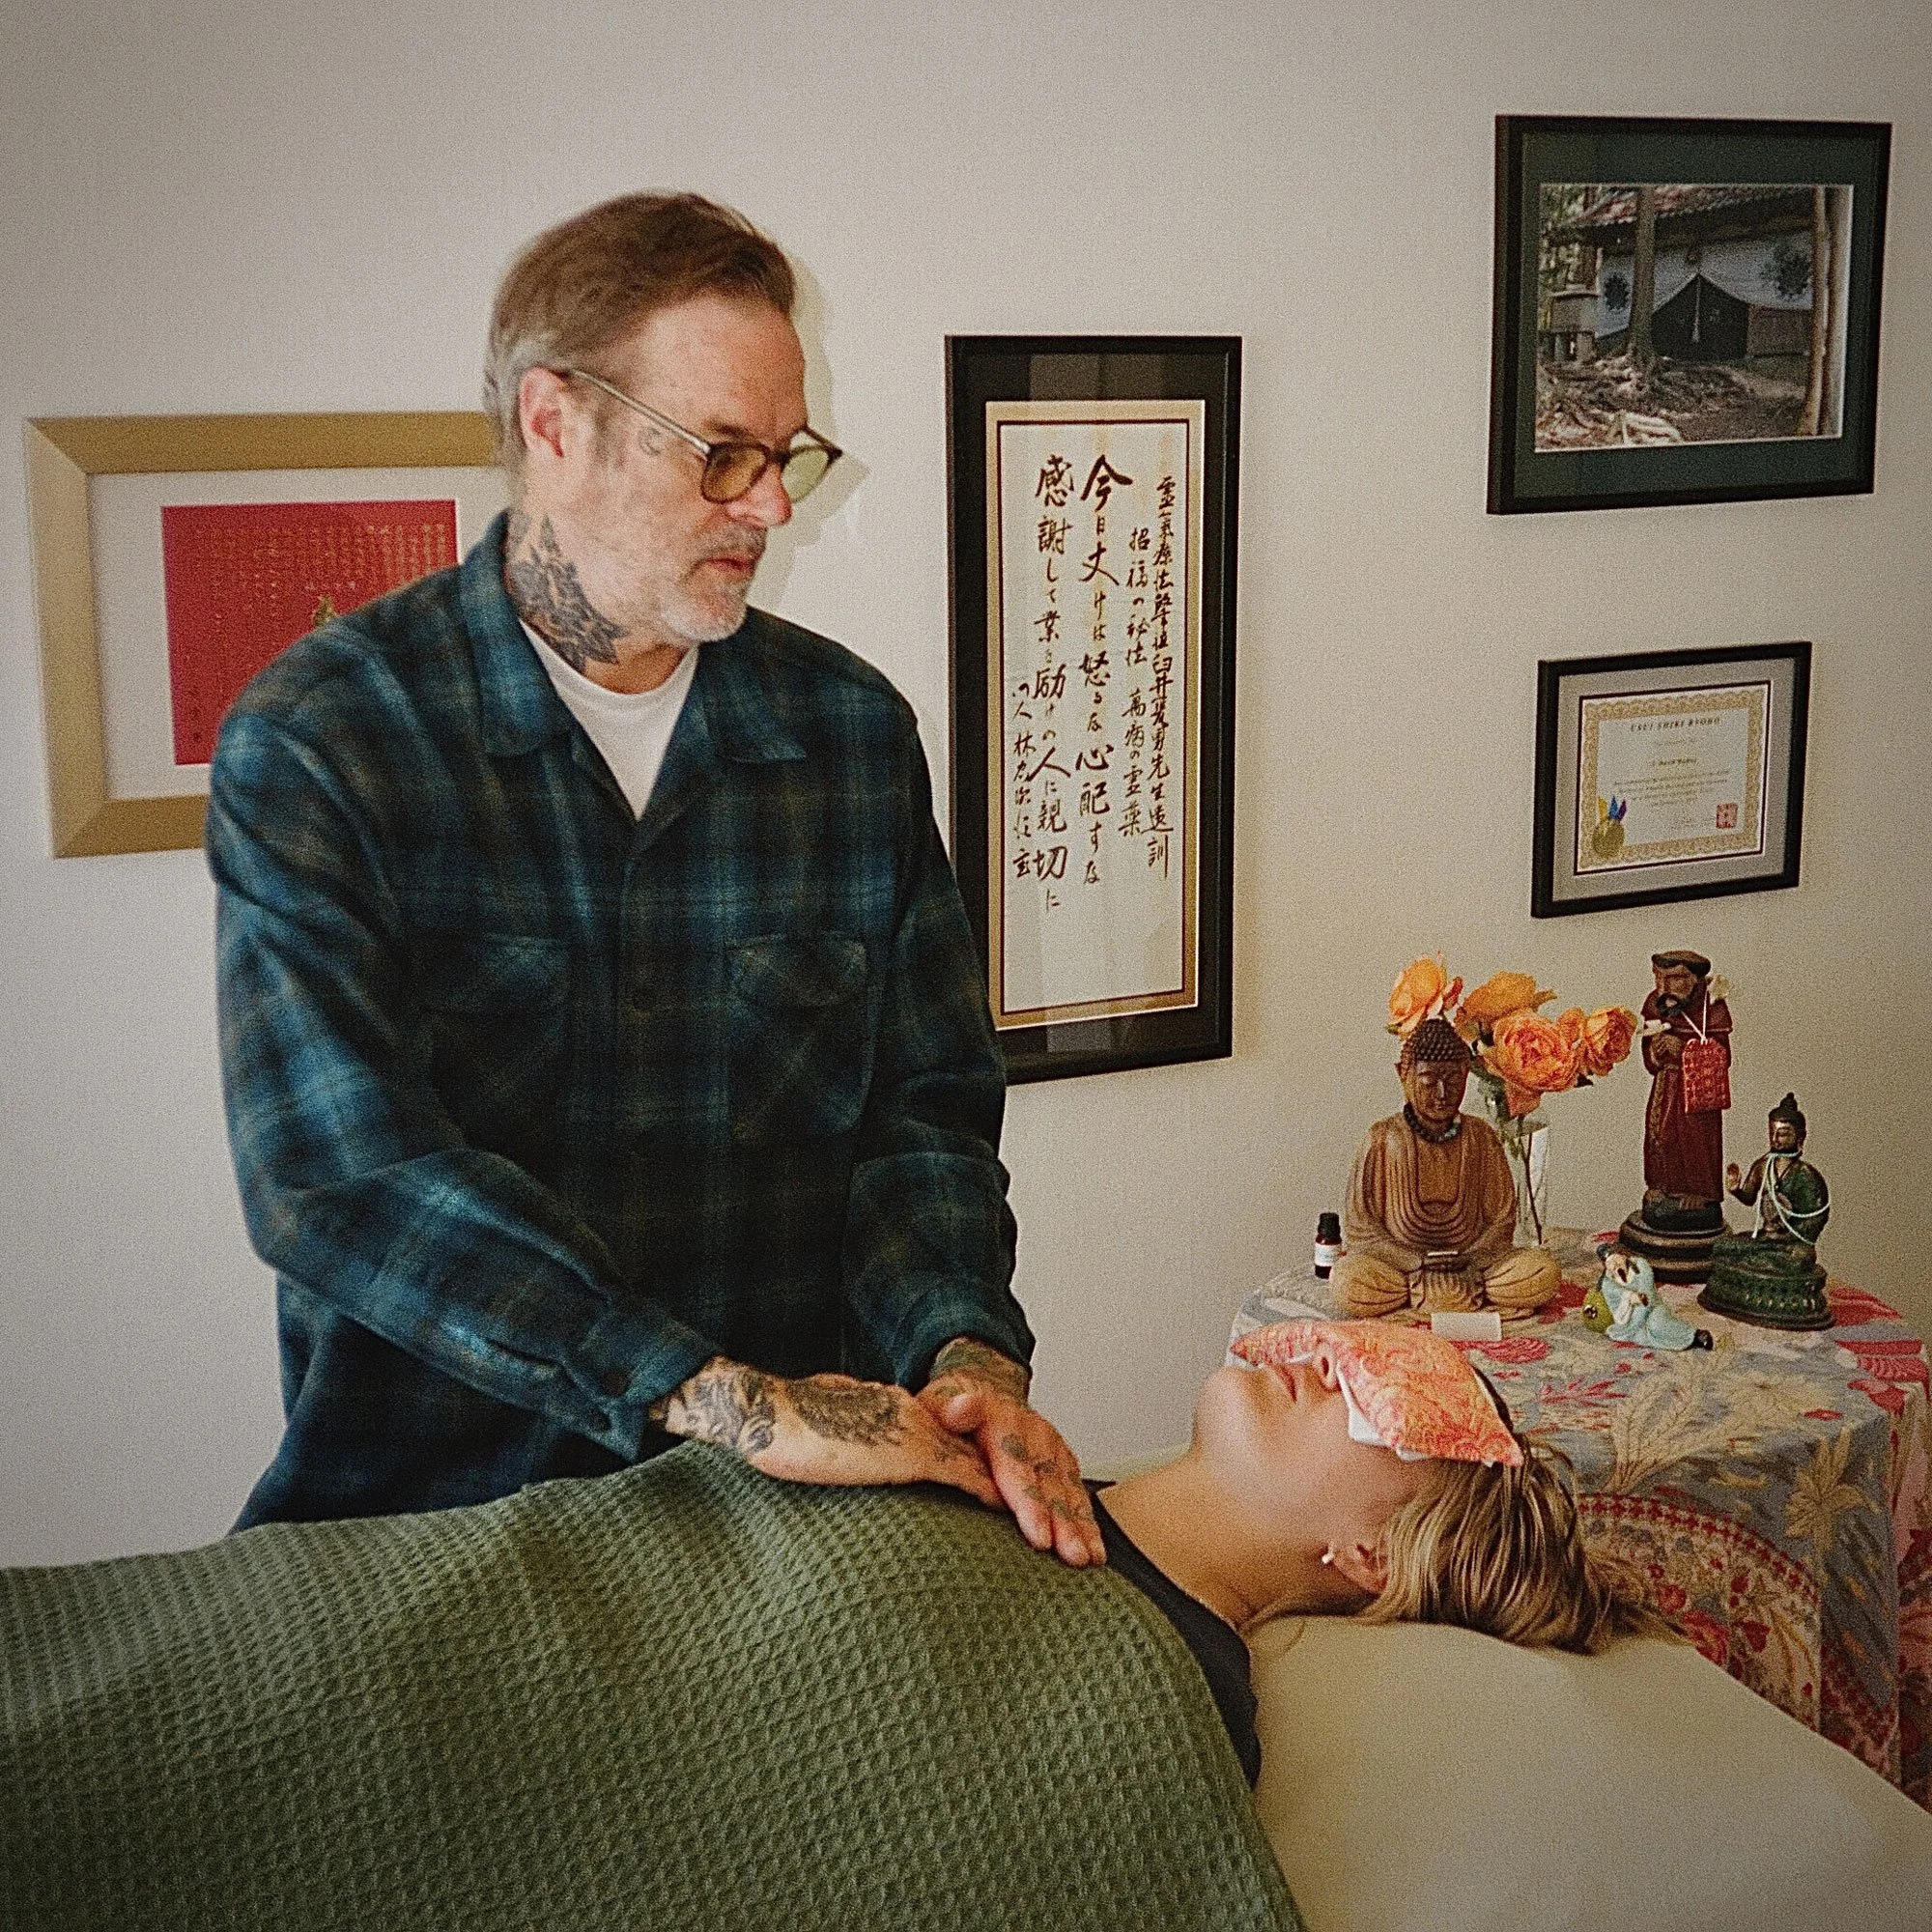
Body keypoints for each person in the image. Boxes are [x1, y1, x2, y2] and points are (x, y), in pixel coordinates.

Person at [205, 191, 1097, 1563]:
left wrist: (964, 1350)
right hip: (434, 1526)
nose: (772, 506)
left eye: (789, 456)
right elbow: (342, 1179)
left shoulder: (850, 738)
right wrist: (725, 1399)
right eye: (723, 455)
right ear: (556, 426)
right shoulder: (329, 743)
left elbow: (923, 1121)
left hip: (788, 1546)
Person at [1334, 1018, 1562, 1320]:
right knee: (1348, 1281)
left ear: (1467, 1076)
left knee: (1542, 1272)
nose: (1442, 1093)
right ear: (1403, 1075)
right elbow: (1361, 1227)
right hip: (1402, 1270)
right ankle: (1437, 1295)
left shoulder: (1480, 1135)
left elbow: (1501, 1220)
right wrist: (1415, 1261)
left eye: (1453, 1081)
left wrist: (1470, 1258)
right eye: (1429, 1082)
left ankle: (1443, 1295)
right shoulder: (1383, 1137)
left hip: (1473, 1267)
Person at [1636, 950, 1732, 1229]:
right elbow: (1649, 1056)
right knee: (1659, 1132)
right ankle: (1661, 1184)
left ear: (1694, 979)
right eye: (1659, 978)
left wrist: (1686, 1052)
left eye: (1675, 979)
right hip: (1666, 1083)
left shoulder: (1711, 1007)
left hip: (1696, 1090)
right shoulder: (1655, 1004)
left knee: (1695, 1138)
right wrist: (1655, 1050)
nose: (1664, 988)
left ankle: (1700, 1192)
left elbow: (1722, 1057)